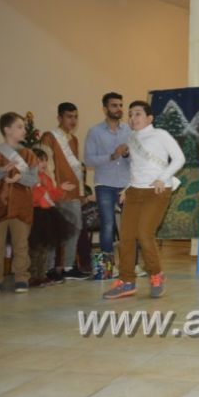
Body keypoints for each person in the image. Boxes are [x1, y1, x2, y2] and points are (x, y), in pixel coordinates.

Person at [102, 100, 185, 300]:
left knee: (144, 233)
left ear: (150, 118)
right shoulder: (132, 138)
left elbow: (179, 159)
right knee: (126, 237)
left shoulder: (160, 135)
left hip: (156, 191)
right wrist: (128, 188)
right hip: (134, 192)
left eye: (138, 113)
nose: (133, 118)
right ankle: (126, 281)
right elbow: (138, 167)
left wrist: (162, 178)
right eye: (130, 114)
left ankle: (156, 275)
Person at [0, 112, 39, 294]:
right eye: (19, 127)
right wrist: (0, 171)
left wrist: (19, 178)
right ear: (7, 130)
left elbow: (34, 180)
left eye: (23, 127)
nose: (24, 130)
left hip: (21, 206)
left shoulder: (29, 154)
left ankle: (21, 278)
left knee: (21, 244)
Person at [40, 102, 88, 280]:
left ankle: (68, 267)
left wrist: (81, 192)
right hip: (56, 191)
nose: (73, 120)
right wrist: (53, 190)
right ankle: (49, 269)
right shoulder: (49, 137)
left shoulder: (73, 140)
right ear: (59, 118)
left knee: (74, 229)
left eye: (75, 117)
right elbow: (47, 166)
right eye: (69, 116)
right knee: (54, 231)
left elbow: (78, 169)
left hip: (72, 192)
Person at [84, 92, 130, 275]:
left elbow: (137, 159)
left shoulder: (129, 130)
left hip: (126, 184)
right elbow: (88, 160)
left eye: (120, 105)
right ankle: (107, 269)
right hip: (104, 184)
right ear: (105, 109)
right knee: (108, 224)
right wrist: (112, 156)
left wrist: (127, 154)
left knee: (130, 226)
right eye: (114, 105)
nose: (119, 109)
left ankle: (131, 266)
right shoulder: (94, 132)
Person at [28, 148, 74, 287]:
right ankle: (32, 276)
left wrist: (61, 188)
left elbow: (52, 195)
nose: (43, 163)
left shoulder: (46, 178)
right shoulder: (30, 178)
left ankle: (41, 275)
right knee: (34, 248)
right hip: (35, 214)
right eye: (40, 161)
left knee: (44, 248)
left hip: (47, 215)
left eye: (45, 161)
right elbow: (32, 196)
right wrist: (42, 190)